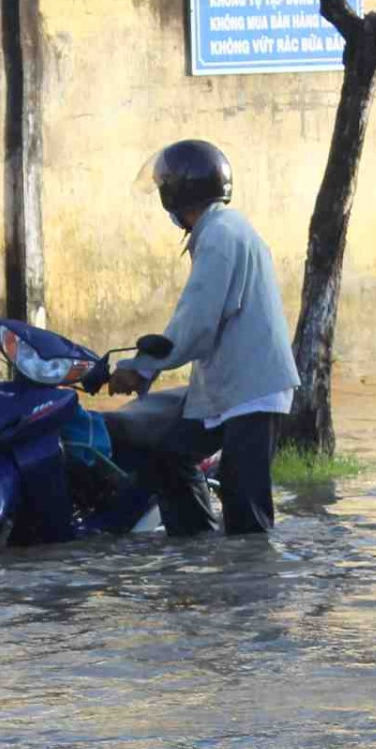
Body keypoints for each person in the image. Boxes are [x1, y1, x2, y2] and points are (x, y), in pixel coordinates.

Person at [108, 139, 300, 536]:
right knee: (167, 451)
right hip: (230, 385)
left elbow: (195, 323)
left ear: (177, 192)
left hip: (251, 389)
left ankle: (252, 585)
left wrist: (141, 367)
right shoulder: (223, 229)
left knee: (245, 503)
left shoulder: (218, 238)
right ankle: (196, 545)